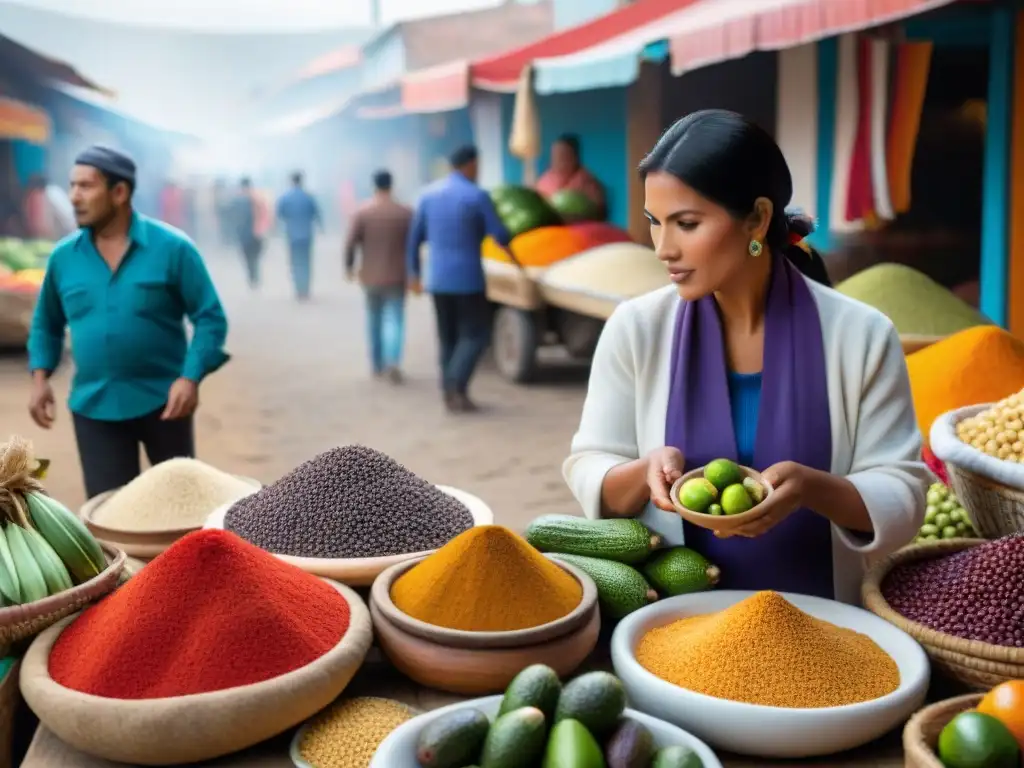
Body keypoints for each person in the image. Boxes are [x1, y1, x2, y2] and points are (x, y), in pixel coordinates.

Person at [562, 110, 928, 605]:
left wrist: (811, 489)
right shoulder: (636, 330)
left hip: (827, 624)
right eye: (655, 223)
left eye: (687, 224)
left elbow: (904, 495)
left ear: (756, 217)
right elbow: (588, 466)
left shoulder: (861, 336)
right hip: (672, 624)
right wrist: (644, 469)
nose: (663, 248)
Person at [27, 146, 229, 499]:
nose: (74, 196)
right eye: (72, 185)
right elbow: (47, 322)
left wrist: (189, 378)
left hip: (166, 402)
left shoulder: (173, 248)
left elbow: (210, 317)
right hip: (94, 407)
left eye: (86, 186)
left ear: (119, 192)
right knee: (110, 514)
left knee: (179, 508)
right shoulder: (63, 258)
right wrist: (40, 377)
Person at [407, 145, 511, 413]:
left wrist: (414, 274)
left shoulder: (427, 195)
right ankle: (456, 382)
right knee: (476, 335)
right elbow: (500, 234)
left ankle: (452, 392)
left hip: (438, 280)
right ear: (471, 164)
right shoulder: (477, 195)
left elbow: (414, 239)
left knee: (447, 337)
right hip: (468, 280)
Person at [344, 169, 413, 383]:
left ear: (374, 186)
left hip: (371, 277)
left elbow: (350, 243)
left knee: (374, 320)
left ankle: (376, 364)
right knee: (395, 320)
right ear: (392, 186)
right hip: (397, 276)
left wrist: (349, 267)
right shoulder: (405, 212)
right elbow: (415, 243)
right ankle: (393, 360)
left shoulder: (363, 212)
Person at [276, 171, 322, 301]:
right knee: (306, 262)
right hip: (307, 235)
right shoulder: (308, 197)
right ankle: (305, 290)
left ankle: (298, 290)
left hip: (292, 235)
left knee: (295, 263)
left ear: (291, 181)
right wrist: (321, 228)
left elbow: (280, 214)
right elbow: (316, 213)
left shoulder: (285, 197)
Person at [535, 134, 605, 214]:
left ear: (575, 158)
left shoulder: (587, 181)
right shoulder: (545, 179)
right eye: (554, 156)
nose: (557, 160)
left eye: (562, 156)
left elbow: (596, 210)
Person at [232, 177, 263, 289]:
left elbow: (234, 219)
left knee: (249, 258)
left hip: (245, 234)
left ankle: (252, 278)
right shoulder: (256, 199)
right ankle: (254, 277)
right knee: (253, 258)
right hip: (254, 233)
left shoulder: (237, 200)